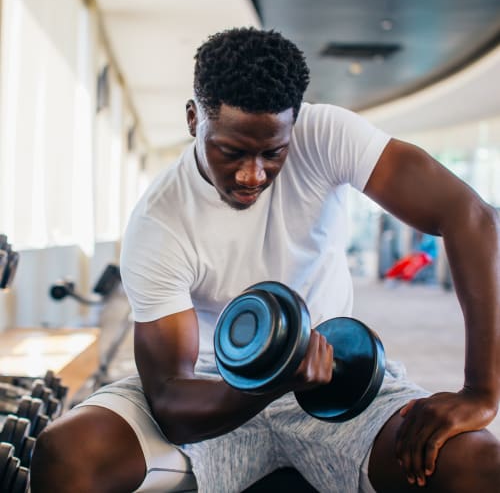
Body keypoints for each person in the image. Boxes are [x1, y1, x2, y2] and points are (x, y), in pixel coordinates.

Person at [31, 27, 500, 493]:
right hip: (210, 383)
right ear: (194, 119)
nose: (252, 174)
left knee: (478, 463)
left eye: (272, 153)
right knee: (70, 453)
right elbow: (171, 400)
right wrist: (276, 380)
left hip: (334, 374)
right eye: (231, 151)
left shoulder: (326, 134)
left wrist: (480, 392)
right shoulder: (159, 223)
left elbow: (469, 215)